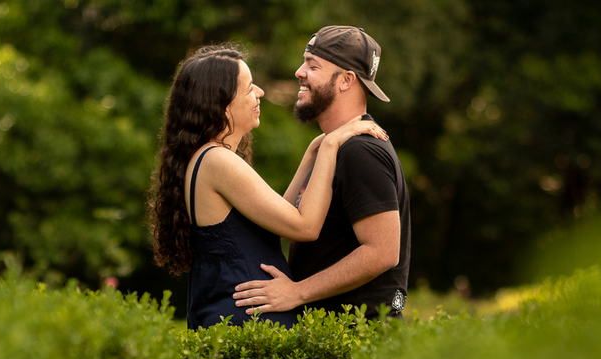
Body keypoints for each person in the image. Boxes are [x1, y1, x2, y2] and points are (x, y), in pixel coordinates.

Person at [148, 44, 386, 329]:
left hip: (239, 317)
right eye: (249, 88)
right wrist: (332, 144)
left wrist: (313, 151)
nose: (259, 92)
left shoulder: (209, 159)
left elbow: (278, 219)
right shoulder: (218, 161)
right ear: (221, 102)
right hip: (245, 322)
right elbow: (305, 227)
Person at [232, 26, 411, 321]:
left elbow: (383, 252)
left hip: (359, 342)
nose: (299, 72)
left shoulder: (360, 152)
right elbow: (283, 222)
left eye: (312, 65)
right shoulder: (331, 147)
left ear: (346, 80)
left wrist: (297, 292)